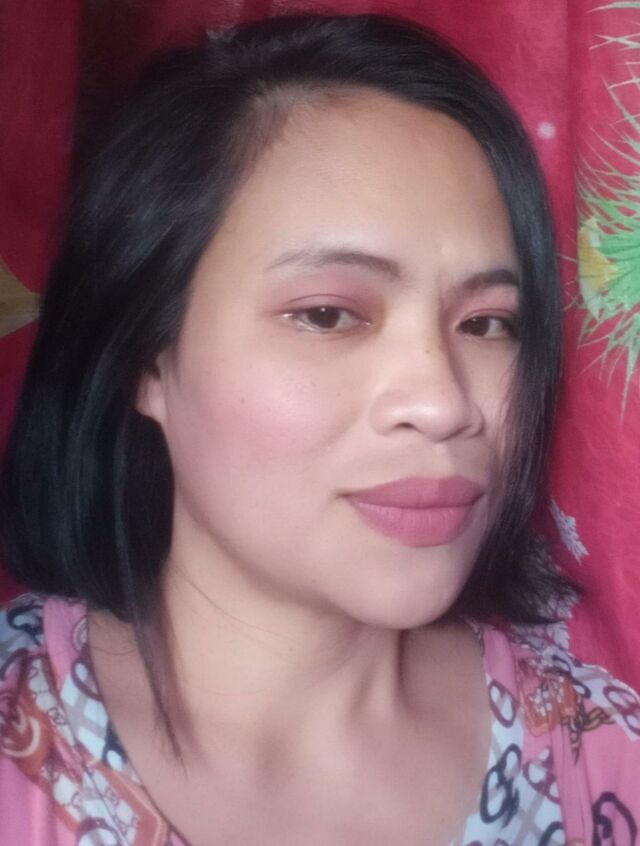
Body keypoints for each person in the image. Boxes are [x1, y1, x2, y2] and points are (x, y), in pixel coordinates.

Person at [0, 12, 638, 846]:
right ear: (146, 358)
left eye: (487, 323)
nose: (445, 404)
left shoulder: (601, 757)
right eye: (329, 314)